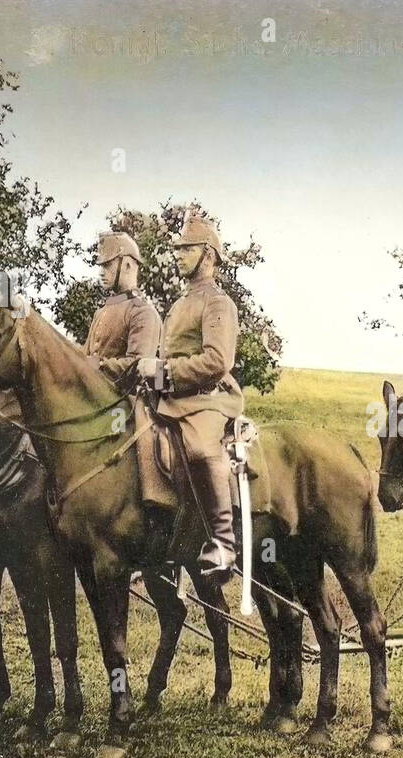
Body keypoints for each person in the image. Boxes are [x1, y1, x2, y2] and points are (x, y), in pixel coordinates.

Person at [137, 214, 243, 573]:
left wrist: (164, 372)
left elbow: (217, 360)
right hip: (174, 397)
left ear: (209, 256)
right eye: (178, 249)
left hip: (207, 398)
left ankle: (225, 544)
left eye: (187, 249)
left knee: (199, 448)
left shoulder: (218, 303)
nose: (179, 255)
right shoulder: (181, 303)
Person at [85, 231, 162, 386]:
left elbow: (137, 366)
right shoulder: (101, 312)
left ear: (127, 265)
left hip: (126, 402)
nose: (101, 273)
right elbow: (84, 355)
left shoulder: (142, 312)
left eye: (107, 265)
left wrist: (99, 365)